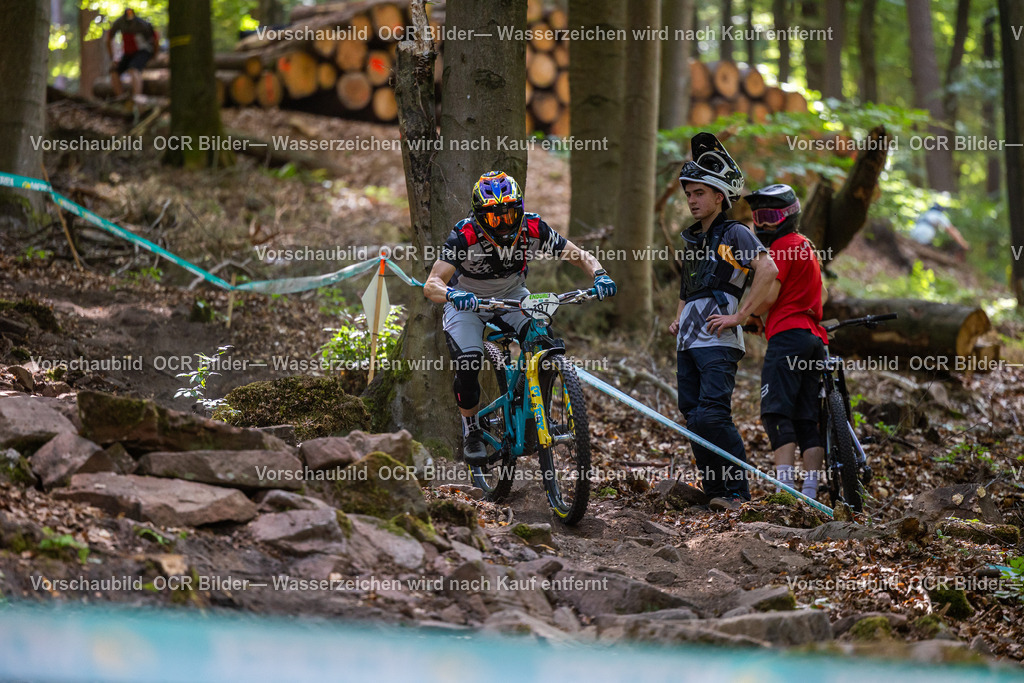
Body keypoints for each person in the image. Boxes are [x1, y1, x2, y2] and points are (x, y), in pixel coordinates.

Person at [424, 171, 616, 464]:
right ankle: (471, 429)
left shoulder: (533, 227)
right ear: (478, 216)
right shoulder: (465, 234)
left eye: (509, 213)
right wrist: (452, 295)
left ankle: (536, 415)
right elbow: (432, 283)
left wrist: (599, 274)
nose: (503, 223)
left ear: (521, 208)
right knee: (468, 362)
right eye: (493, 217)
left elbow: (577, 254)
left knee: (542, 339)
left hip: (513, 295)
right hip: (467, 301)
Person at [669, 133, 778, 512]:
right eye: (688, 194)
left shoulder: (735, 232)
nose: (692, 200)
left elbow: (768, 268)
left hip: (718, 341)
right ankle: (715, 491)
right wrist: (678, 318)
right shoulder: (693, 240)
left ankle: (738, 493)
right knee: (693, 416)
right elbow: (690, 287)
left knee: (713, 414)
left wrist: (741, 315)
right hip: (688, 342)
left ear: (719, 196)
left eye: (699, 193)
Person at [744, 184, 828, 501]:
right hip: (812, 339)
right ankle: (811, 491)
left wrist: (744, 315)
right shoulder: (807, 246)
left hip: (788, 338)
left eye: (769, 215)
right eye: (757, 216)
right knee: (807, 417)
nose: (762, 223)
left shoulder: (780, 246)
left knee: (776, 411)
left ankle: (785, 488)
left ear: (787, 216)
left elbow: (771, 295)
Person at [106, 8, 159, 101]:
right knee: (114, 71)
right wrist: (112, 57)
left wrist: (155, 55)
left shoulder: (142, 25)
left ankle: (137, 97)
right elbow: (108, 39)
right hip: (128, 54)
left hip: (143, 51)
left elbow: (155, 39)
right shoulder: (119, 23)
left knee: (133, 69)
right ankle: (121, 98)